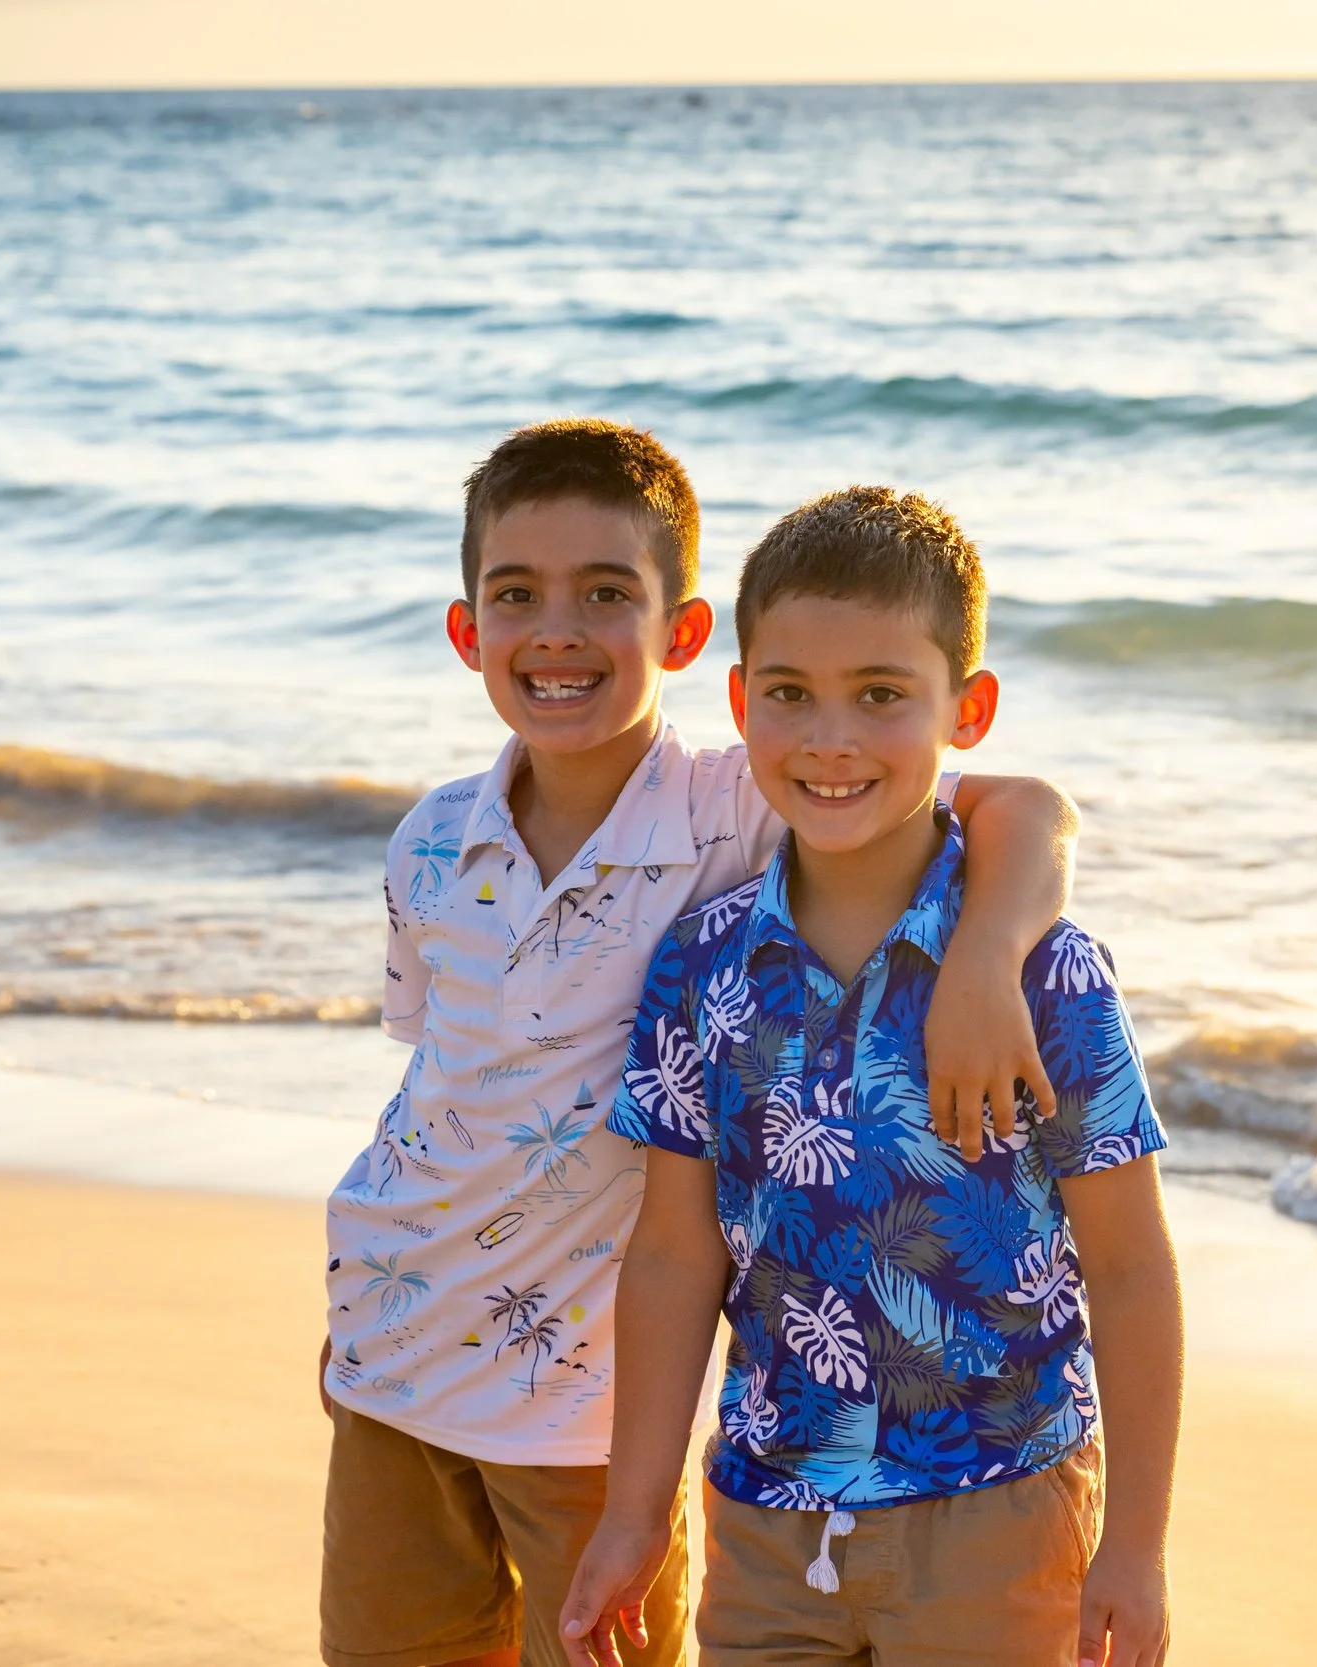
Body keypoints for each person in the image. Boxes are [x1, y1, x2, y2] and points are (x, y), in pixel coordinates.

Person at [318, 425, 1085, 1667]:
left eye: (605, 595)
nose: (557, 632)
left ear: (681, 635)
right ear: (468, 633)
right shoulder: (427, 839)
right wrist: (362, 1291)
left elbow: (1022, 805)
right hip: (388, 1346)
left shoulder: (745, 800)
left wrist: (989, 955)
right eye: (516, 596)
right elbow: (441, 1082)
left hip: (582, 1401)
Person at [562, 486, 1183, 1667]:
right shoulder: (700, 965)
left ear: (969, 711)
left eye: (883, 696)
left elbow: (1132, 1261)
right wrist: (636, 1511)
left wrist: (1138, 1544)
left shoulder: (1045, 973)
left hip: (999, 1510)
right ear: (741, 702)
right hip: (766, 1512)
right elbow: (673, 1252)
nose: (830, 738)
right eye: (790, 694)